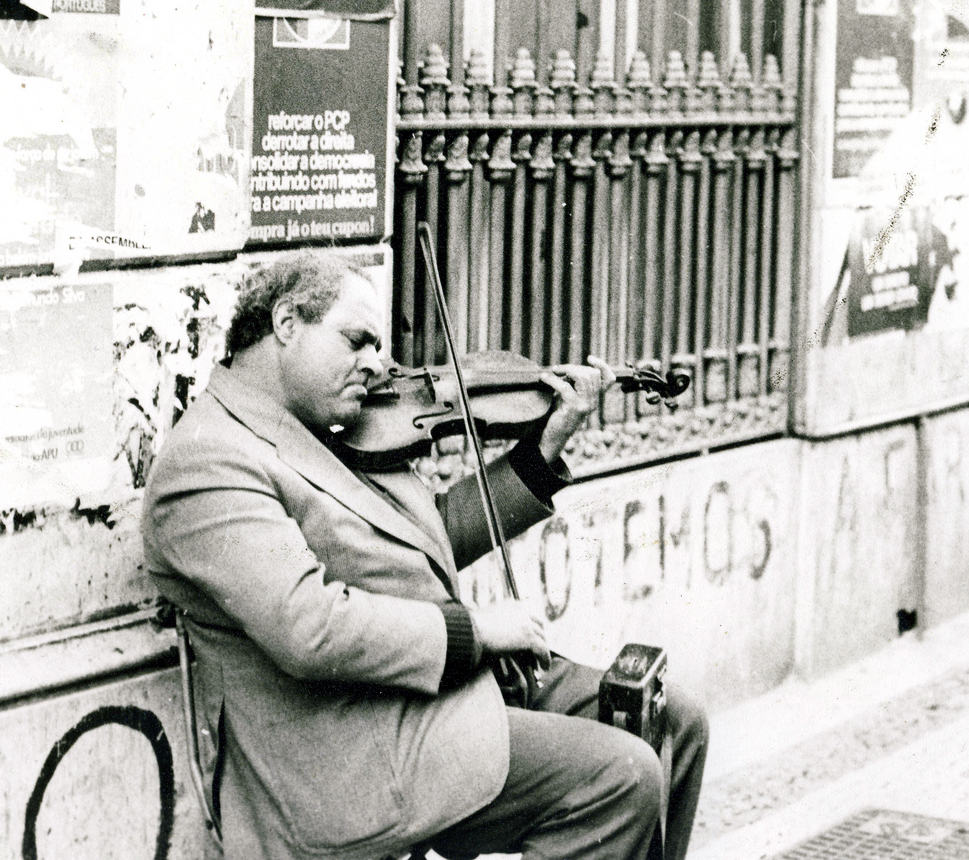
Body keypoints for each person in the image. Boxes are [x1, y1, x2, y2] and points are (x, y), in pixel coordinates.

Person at [143, 252, 707, 860]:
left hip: (445, 693)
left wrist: (542, 451)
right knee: (620, 775)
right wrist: (477, 631)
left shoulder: (320, 429)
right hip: (360, 748)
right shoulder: (209, 459)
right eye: (356, 340)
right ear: (286, 324)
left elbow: (425, 537)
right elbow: (308, 626)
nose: (377, 364)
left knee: (677, 720)